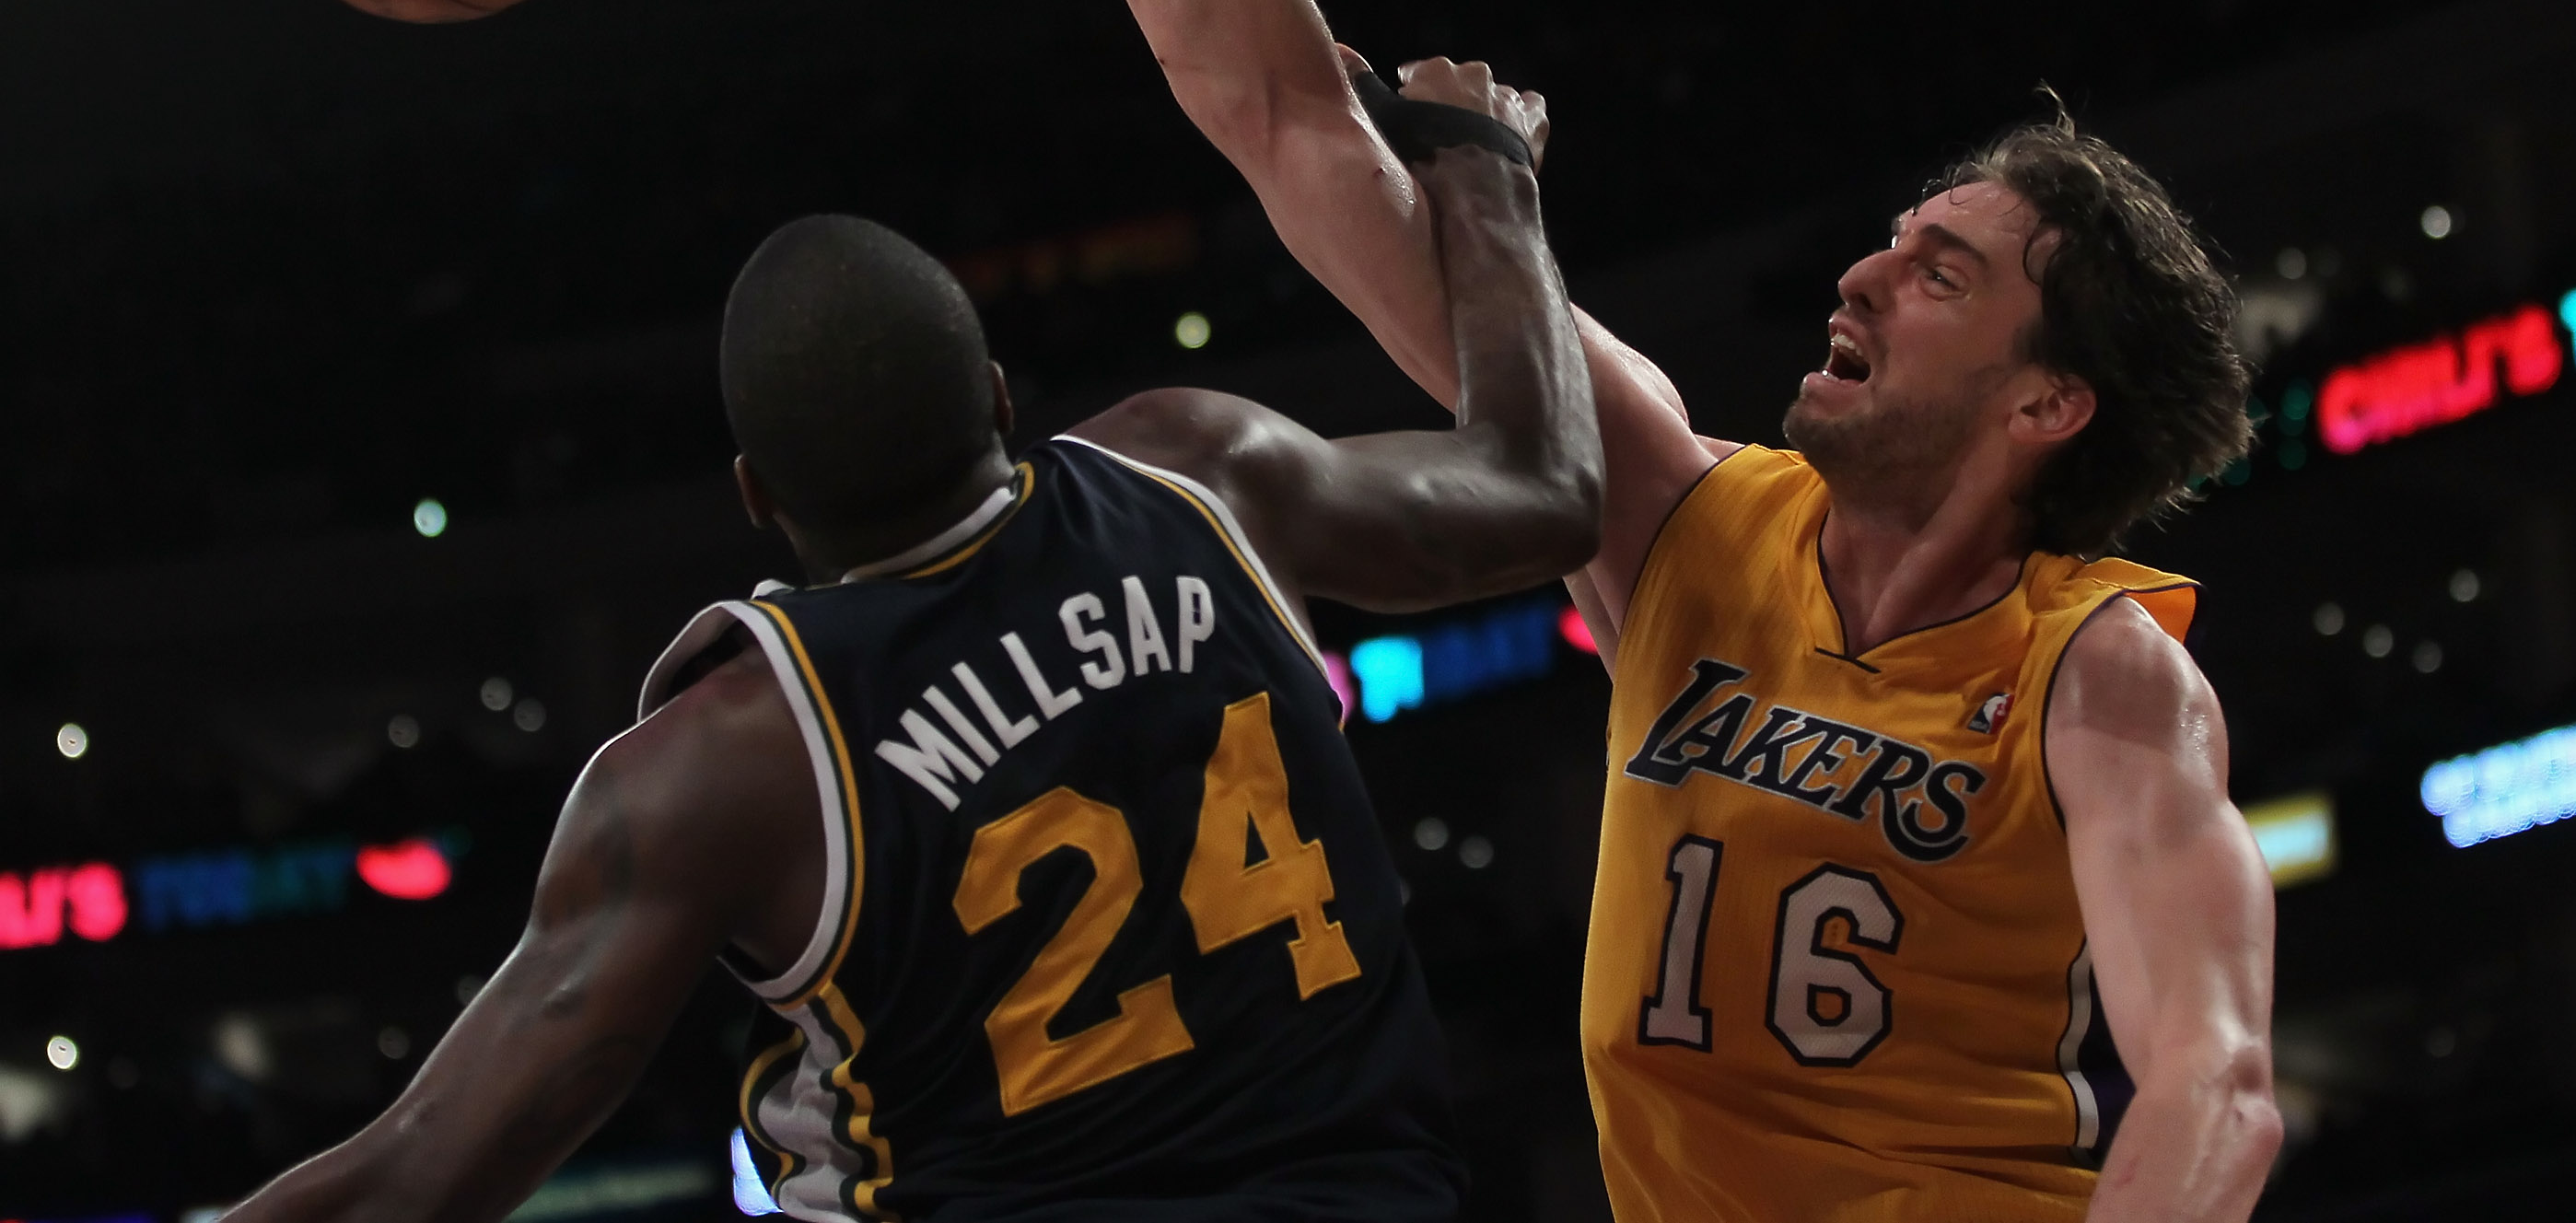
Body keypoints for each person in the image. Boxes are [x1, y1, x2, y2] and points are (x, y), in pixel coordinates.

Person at [882, 0, 2285, 1221]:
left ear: (2046, 403)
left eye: (1941, 272)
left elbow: (2216, 1086)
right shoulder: (1686, 522)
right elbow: (1295, 128)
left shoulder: (2100, 672)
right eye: (1894, 238)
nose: (1861, 272)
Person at [219, 107, 1602, 1219]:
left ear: (759, 494)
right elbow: (1541, 487)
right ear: (1000, 396)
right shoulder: (1200, 471)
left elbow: (415, 1174)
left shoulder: (727, 760)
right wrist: (1480, 169)